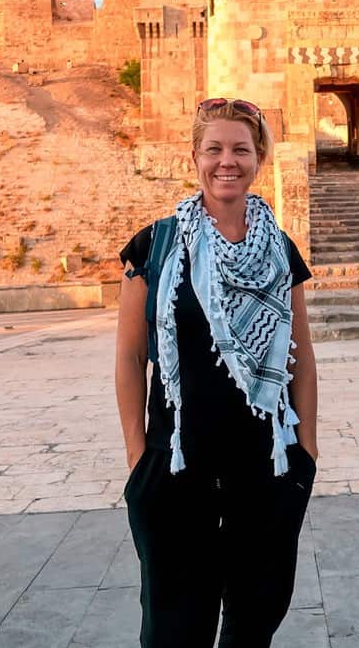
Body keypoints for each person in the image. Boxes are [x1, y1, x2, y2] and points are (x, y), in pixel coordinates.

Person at [116, 97, 318, 647]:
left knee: (256, 617)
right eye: (214, 149)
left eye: (240, 150)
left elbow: (300, 355)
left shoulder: (280, 250)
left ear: (259, 160)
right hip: (176, 463)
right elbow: (132, 359)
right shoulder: (154, 245)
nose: (226, 162)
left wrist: (307, 453)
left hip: (267, 464)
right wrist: (139, 457)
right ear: (195, 157)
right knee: (175, 626)